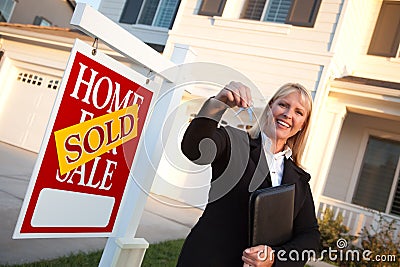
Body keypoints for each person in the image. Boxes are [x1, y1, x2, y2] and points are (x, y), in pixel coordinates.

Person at [177, 81, 320, 267]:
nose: (288, 114)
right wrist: (219, 103)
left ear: (302, 125)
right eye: (283, 105)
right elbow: (194, 149)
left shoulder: (299, 180)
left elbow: (310, 235)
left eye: (298, 112)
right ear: (270, 108)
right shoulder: (234, 142)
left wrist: (275, 257)